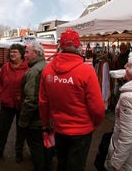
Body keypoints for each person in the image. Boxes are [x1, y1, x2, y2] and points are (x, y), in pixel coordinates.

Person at [39, 29, 105, 171]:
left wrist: (46, 123)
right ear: (79, 46)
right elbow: (97, 107)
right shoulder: (87, 71)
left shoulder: (47, 70)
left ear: (61, 46)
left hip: (59, 128)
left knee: (62, 164)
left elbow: (43, 102)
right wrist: (96, 122)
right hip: (82, 131)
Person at [0, 43, 29, 163]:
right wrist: (2, 94)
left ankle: (19, 152)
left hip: (22, 105)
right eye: (11, 52)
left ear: (21, 54)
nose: (12, 54)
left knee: (21, 130)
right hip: (6, 104)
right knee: (2, 129)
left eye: (15, 52)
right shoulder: (5, 67)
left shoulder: (27, 68)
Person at [18, 41, 52, 171]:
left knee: (37, 148)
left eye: (27, 52)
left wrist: (23, 121)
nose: (24, 55)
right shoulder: (48, 67)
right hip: (47, 118)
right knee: (47, 146)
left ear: (36, 53)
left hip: (36, 120)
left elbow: (31, 100)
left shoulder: (34, 71)